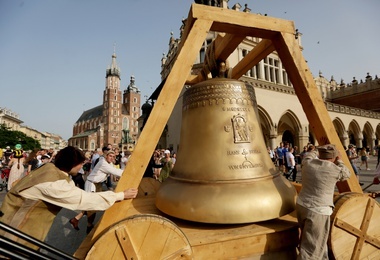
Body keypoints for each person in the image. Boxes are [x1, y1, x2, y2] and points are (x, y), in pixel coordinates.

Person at [0, 146, 137, 250]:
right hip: (15, 232)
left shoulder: (50, 168)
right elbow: (83, 200)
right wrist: (121, 195)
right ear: (72, 163)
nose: (82, 166)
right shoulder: (52, 183)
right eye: (81, 163)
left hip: (22, 230)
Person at [296, 144, 350, 259]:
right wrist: (340, 160)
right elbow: (346, 173)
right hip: (318, 211)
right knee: (312, 250)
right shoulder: (334, 169)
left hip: (302, 205)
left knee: (316, 242)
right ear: (334, 157)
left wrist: (315, 150)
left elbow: (308, 156)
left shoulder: (308, 163)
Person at [71, 149, 124, 233]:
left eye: (113, 156)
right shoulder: (103, 163)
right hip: (91, 184)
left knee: (92, 205)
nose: (112, 158)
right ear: (106, 156)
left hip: (98, 184)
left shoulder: (109, 163)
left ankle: (76, 219)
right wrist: (129, 172)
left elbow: (115, 169)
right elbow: (115, 171)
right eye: (110, 156)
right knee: (92, 206)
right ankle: (88, 225)